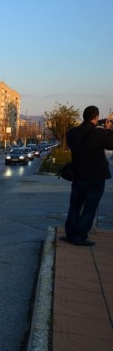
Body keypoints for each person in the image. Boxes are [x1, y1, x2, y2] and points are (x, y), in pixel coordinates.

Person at [63, 105, 113, 246]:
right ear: (96, 117)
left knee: (74, 206)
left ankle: (70, 234)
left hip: (78, 175)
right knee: (90, 208)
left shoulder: (72, 133)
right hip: (96, 177)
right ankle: (80, 236)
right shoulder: (99, 133)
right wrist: (108, 130)